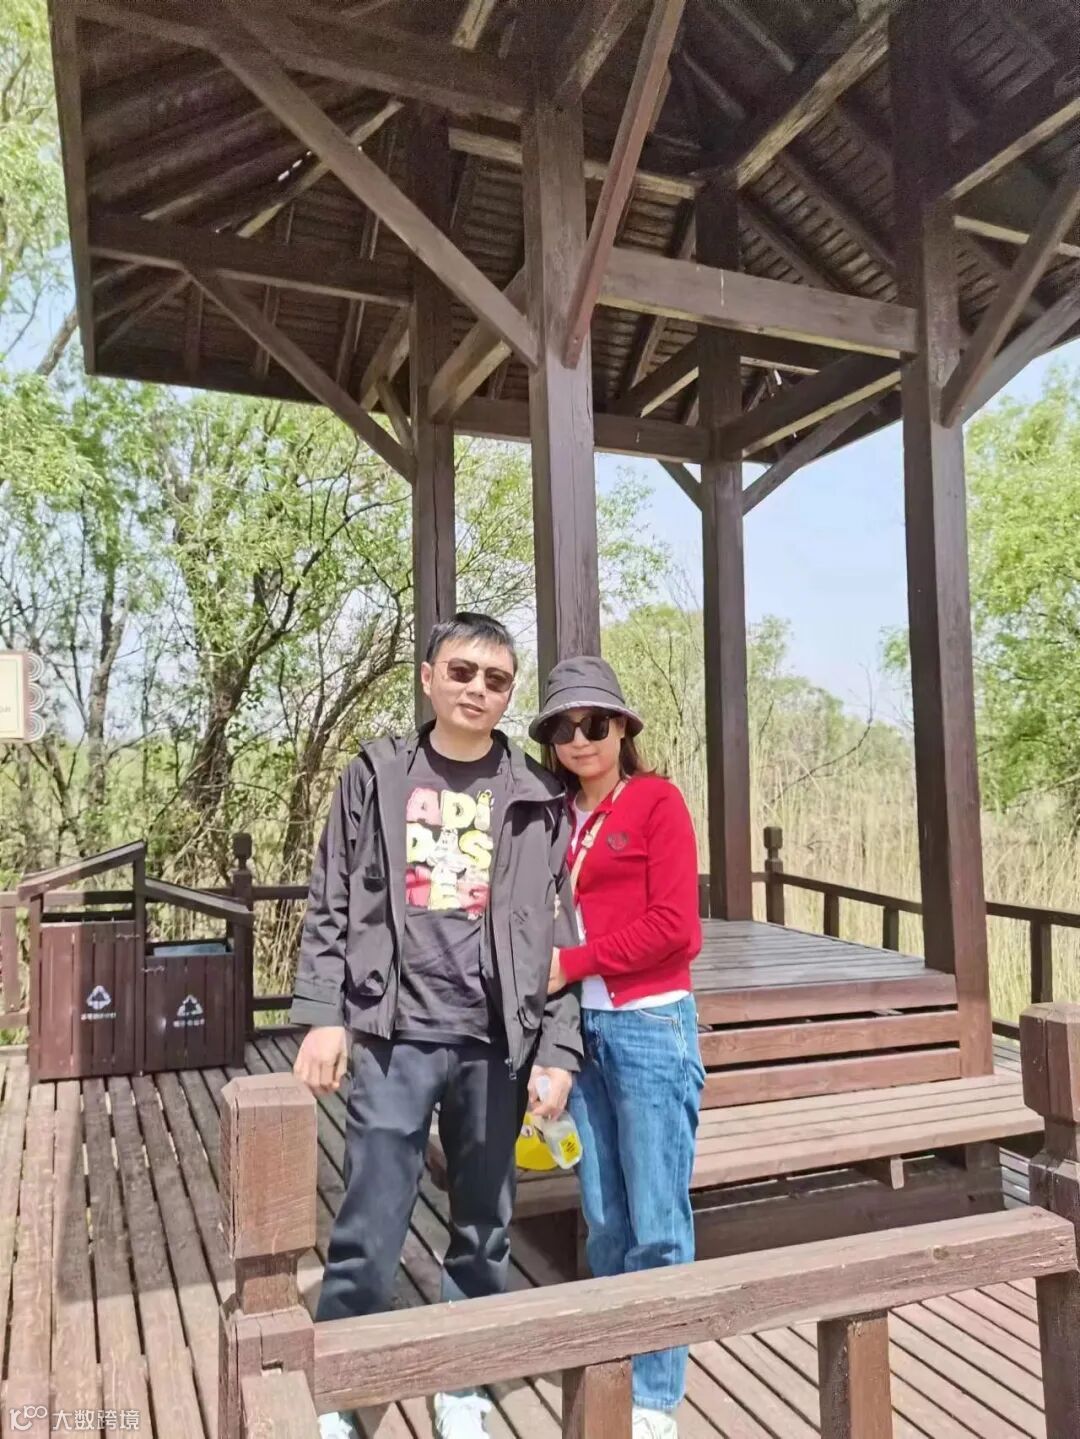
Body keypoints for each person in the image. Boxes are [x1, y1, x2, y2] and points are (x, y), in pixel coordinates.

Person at [291, 613, 582, 1439]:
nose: (477, 690)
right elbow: (332, 899)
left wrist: (559, 1050)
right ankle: (343, 1389)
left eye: (496, 679)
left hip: (496, 1042)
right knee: (370, 1221)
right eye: (461, 671)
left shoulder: (536, 796)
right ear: (427, 677)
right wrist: (322, 1015)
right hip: (394, 1034)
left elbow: (561, 936)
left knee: (484, 1225)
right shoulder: (378, 774)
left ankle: (463, 1383)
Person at [536, 656, 704, 1439]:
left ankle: (656, 1397)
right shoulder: (553, 816)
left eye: (596, 722)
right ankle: (615, 1365)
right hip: (582, 1032)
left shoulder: (657, 801)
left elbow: (677, 927)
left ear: (623, 727)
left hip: (649, 1027)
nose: (581, 738)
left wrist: (573, 962)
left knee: (657, 1219)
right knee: (604, 1216)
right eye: (564, 726)